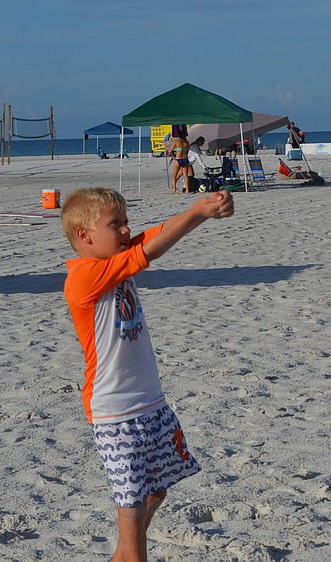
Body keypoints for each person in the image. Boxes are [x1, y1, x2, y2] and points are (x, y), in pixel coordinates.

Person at [61, 187, 234, 562]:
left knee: (157, 491)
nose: (125, 231)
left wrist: (202, 212)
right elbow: (148, 250)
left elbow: (152, 235)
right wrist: (197, 212)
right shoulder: (83, 277)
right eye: (115, 224)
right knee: (132, 504)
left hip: (150, 402)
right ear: (84, 236)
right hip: (114, 409)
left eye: (125, 222)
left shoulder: (115, 259)